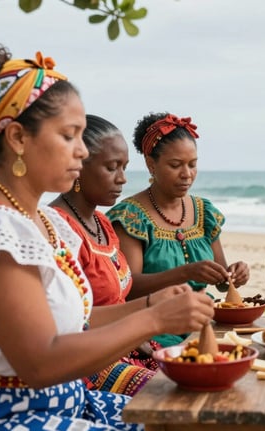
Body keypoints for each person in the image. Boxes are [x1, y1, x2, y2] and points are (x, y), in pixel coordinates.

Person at [0, 44, 215, 430]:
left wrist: (148, 304)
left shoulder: (40, 220)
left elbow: (72, 324)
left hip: (60, 404)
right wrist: (155, 320)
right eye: (69, 136)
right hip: (2, 417)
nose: (82, 152)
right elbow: (41, 362)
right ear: (17, 138)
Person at [50, 114, 179, 395]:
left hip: (124, 345)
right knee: (171, 395)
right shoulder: (57, 229)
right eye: (112, 168)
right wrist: (149, 308)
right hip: (89, 360)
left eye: (124, 167)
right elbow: (68, 321)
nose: (122, 179)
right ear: (78, 167)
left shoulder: (103, 223)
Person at [106, 112, 249, 345]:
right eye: (176, 165)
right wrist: (185, 273)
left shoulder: (204, 212)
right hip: (155, 330)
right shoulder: (130, 217)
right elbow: (129, 288)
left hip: (204, 320)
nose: (187, 174)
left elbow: (222, 280)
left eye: (193, 164)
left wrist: (234, 274)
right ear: (151, 164)